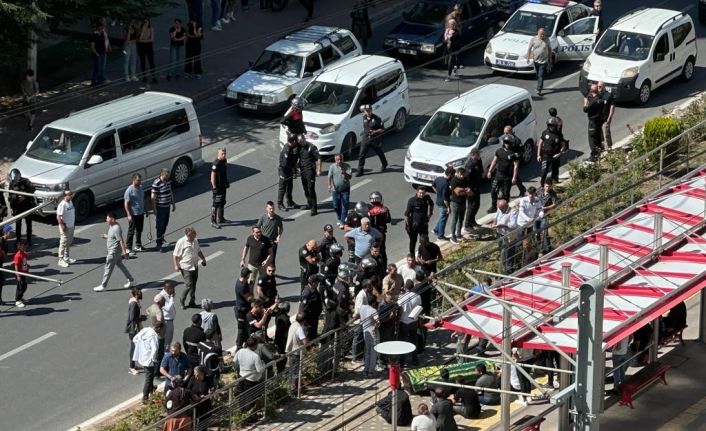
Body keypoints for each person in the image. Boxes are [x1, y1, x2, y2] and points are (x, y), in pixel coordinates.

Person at [93, 212, 135, 292]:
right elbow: (114, 237)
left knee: (108, 268)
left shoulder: (116, 228)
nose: (106, 220)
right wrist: (107, 236)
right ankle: (131, 280)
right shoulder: (112, 226)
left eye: (107, 218)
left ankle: (103, 285)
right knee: (120, 265)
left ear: (112, 219)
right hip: (115, 252)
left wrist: (124, 252)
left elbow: (121, 241)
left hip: (113, 252)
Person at [173, 227, 207, 309]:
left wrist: (203, 258)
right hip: (186, 267)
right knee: (188, 284)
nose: (194, 237)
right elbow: (175, 255)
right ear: (188, 235)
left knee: (193, 284)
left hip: (194, 266)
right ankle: (182, 300)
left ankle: (192, 301)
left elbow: (198, 251)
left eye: (195, 235)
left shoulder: (195, 241)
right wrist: (176, 265)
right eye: (193, 235)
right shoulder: (181, 242)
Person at [486, 136, 519, 212]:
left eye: (509, 143)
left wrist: (514, 177)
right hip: (498, 175)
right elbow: (494, 161)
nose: (507, 144)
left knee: (506, 194)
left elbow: (516, 166)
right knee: (493, 191)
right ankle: (494, 206)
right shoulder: (499, 151)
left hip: (507, 177)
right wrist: (490, 171)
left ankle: (505, 208)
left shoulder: (513, 154)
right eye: (506, 142)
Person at [133, 320, 162, 403]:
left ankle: (151, 387)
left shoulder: (145, 330)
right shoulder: (154, 335)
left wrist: (141, 348)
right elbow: (155, 349)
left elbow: (135, 339)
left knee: (149, 375)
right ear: (158, 328)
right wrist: (154, 359)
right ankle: (145, 397)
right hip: (149, 360)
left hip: (142, 357)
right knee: (149, 378)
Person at [234, 337, 266, 409]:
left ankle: (241, 410)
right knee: (251, 398)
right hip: (252, 379)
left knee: (242, 395)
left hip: (241, 376)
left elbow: (235, 361)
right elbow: (260, 370)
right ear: (255, 346)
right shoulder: (255, 356)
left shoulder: (240, 351)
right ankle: (249, 414)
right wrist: (263, 364)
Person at [7, 169, 36, 247]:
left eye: (16, 176)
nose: (15, 178)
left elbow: (33, 189)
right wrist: (12, 206)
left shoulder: (25, 181)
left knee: (28, 224)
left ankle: (29, 240)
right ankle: (18, 240)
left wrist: (24, 196)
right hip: (18, 207)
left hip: (27, 206)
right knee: (18, 224)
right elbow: (10, 196)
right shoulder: (12, 184)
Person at [358, 105, 388, 176]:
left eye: (369, 111)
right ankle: (360, 170)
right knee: (361, 154)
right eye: (366, 111)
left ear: (371, 110)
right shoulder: (364, 117)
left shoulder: (377, 118)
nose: (368, 112)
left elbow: (382, 129)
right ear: (364, 112)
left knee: (379, 152)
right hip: (365, 138)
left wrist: (374, 132)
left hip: (374, 138)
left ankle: (384, 164)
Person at [398, 280, 422, 367]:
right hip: (413, 321)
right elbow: (419, 309)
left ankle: (402, 362)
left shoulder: (401, 297)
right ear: (413, 286)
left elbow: (399, 310)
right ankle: (414, 360)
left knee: (403, 342)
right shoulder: (417, 296)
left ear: (405, 287)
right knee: (414, 341)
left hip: (403, 322)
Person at [537, 117, 567, 186]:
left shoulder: (559, 134)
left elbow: (563, 145)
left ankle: (555, 184)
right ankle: (542, 185)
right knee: (544, 171)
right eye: (549, 125)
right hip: (546, 155)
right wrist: (538, 155)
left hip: (555, 156)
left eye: (552, 125)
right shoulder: (545, 133)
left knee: (555, 171)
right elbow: (540, 143)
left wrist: (559, 154)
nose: (551, 127)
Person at [404, 188, 434, 257]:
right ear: (417, 192)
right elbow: (406, 215)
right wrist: (408, 226)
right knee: (413, 241)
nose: (421, 194)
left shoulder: (427, 198)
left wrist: (430, 214)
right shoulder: (412, 200)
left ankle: (424, 256)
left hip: (424, 225)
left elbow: (431, 204)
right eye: (420, 193)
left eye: (423, 193)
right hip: (414, 226)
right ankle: (412, 257)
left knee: (425, 241)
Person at [151, 169, 175, 251]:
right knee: (160, 225)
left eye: (168, 176)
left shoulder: (168, 181)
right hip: (160, 207)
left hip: (167, 206)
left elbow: (170, 192)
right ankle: (158, 243)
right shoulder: (156, 183)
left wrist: (173, 203)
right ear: (162, 174)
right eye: (166, 176)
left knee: (165, 223)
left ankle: (162, 238)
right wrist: (154, 209)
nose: (168, 177)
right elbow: (153, 197)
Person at [298, 136, 322, 215]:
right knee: (305, 189)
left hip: (310, 172)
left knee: (311, 189)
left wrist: (318, 169)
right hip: (303, 172)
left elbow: (319, 158)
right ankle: (309, 203)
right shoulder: (300, 147)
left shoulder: (311, 147)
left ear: (304, 139)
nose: (301, 143)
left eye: (302, 141)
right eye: (300, 142)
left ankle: (314, 209)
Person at [493, 199, 518, 273]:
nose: (500, 210)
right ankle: (504, 265)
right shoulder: (500, 208)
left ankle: (509, 267)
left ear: (506, 206)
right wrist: (494, 223)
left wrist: (503, 225)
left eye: (502, 209)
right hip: (500, 233)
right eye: (499, 208)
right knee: (502, 249)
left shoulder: (513, 212)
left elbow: (513, 225)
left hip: (508, 235)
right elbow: (495, 216)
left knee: (509, 251)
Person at [367, 191, 391, 267]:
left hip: (373, 233)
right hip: (382, 232)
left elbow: (370, 222)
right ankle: (384, 266)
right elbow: (388, 220)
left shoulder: (370, 211)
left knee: (373, 250)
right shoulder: (385, 209)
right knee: (383, 250)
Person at [328, 153, 353, 227]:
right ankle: (340, 218)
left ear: (343, 159)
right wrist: (329, 185)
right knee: (336, 205)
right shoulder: (332, 167)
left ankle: (342, 221)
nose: (339, 161)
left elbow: (350, 177)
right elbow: (329, 176)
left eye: (340, 159)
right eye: (338, 160)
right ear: (335, 160)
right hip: (335, 190)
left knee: (345, 205)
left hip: (345, 189)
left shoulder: (347, 166)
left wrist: (344, 173)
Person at [286, 313, 308, 392]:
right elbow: (304, 341)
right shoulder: (299, 329)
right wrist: (305, 348)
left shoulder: (293, 325)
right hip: (296, 353)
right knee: (295, 372)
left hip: (291, 351)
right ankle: (293, 390)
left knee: (291, 371)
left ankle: (293, 388)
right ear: (304, 321)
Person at [525, 27, 551, 96]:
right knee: (538, 75)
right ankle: (540, 85)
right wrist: (528, 58)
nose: (542, 36)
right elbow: (529, 48)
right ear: (538, 33)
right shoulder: (533, 39)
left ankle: (539, 89)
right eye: (541, 34)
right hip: (535, 61)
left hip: (543, 61)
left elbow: (549, 49)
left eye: (543, 34)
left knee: (541, 75)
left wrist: (549, 59)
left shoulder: (547, 39)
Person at [355, 301, 378, 377]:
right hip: (372, 333)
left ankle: (366, 370)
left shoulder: (362, 308)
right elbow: (377, 321)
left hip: (365, 332)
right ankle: (371, 371)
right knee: (373, 352)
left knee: (367, 351)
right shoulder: (373, 310)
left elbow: (355, 315)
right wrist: (376, 326)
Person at [448, 167, 471, 244]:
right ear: (457, 173)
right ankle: (453, 236)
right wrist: (466, 191)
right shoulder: (454, 180)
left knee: (461, 219)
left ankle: (458, 234)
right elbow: (458, 192)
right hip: (455, 203)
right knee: (454, 219)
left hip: (463, 202)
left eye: (463, 175)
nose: (462, 176)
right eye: (461, 175)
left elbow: (468, 189)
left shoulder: (465, 179)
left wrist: (464, 190)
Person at [277, 134, 299, 211]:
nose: (296, 142)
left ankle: (289, 202)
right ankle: (280, 204)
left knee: (289, 187)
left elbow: (292, 160)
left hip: (289, 171)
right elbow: (285, 164)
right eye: (296, 141)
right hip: (284, 172)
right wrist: (291, 171)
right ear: (293, 141)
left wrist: (294, 170)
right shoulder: (286, 149)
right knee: (282, 188)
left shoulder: (290, 148)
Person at [126, 287, 146, 375]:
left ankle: (133, 365)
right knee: (133, 348)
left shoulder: (135, 302)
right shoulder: (134, 304)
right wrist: (141, 318)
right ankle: (131, 367)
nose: (141, 293)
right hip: (133, 329)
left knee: (135, 346)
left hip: (135, 328)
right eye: (139, 292)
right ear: (136, 294)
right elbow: (132, 318)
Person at [583, 83, 604, 161]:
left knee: (592, 139)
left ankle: (593, 156)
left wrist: (585, 102)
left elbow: (585, 109)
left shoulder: (593, 101)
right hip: (599, 121)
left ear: (591, 91)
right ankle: (599, 153)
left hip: (593, 122)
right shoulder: (600, 98)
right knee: (598, 137)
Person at [463, 149, 483, 232]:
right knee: (471, 206)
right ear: (473, 155)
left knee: (477, 205)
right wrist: (468, 189)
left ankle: (472, 220)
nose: (479, 156)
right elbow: (466, 178)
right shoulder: (469, 165)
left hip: (477, 186)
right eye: (477, 155)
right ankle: (467, 225)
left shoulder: (478, 161)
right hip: (471, 188)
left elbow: (481, 170)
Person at [432, 167, 454, 241]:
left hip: (438, 201)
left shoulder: (439, 179)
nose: (453, 176)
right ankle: (440, 236)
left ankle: (436, 230)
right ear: (450, 175)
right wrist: (448, 207)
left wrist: (438, 193)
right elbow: (445, 198)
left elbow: (433, 185)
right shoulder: (446, 184)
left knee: (442, 217)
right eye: (453, 175)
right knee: (443, 219)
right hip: (443, 203)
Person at [210, 148, 230, 229]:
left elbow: (224, 173)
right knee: (215, 204)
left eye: (224, 153)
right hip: (217, 188)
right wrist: (214, 187)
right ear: (218, 154)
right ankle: (213, 221)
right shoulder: (216, 163)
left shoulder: (224, 161)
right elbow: (212, 177)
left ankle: (221, 218)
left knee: (222, 202)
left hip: (223, 186)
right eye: (222, 153)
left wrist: (226, 182)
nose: (224, 155)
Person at [537, 179, 559, 253]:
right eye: (546, 186)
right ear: (544, 185)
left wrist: (546, 208)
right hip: (537, 214)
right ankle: (539, 248)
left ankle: (547, 249)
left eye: (549, 187)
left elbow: (555, 204)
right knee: (536, 231)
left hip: (545, 214)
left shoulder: (552, 193)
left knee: (544, 231)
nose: (548, 188)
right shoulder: (540, 191)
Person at [56, 190, 76, 268]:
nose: (71, 196)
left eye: (71, 194)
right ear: (65, 195)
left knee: (69, 242)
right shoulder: (62, 204)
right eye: (69, 194)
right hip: (65, 227)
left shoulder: (70, 202)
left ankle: (66, 257)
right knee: (63, 242)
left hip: (71, 226)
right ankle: (60, 260)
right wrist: (63, 226)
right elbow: (58, 216)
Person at [301, 275, 324, 340]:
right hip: (310, 319)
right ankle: (309, 347)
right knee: (309, 334)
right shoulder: (307, 292)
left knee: (313, 333)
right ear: (313, 283)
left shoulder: (313, 289)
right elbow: (303, 307)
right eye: (317, 282)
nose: (318, 284)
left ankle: (313, 346)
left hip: (314, 317)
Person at [234, 267, 253, 349]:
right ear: (247, 276)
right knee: (242, 329)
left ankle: (245, 342)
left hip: (242, 308)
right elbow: (249, 298)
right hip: (242, 310)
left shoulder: (242, 282)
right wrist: (251, 290)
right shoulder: (242, 286)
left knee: (246, 327)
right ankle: (238, 346)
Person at [89, 21, 110, 86]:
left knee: (102, 67)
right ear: (99, 27)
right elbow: (92, 46)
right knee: (97, 68)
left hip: (103, 53)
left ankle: (100, 80)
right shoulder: (93, 35)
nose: (104, 28)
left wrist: (108, 47)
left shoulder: (103, 34)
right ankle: (94, 81)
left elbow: (106, 41)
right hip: (97, 53)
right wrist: (96, 53)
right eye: (103, 27)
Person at [137, 18, 158, 83]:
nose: (146, 23)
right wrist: (143, 30)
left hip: (149, 46)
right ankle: (144, 76)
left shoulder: (151, 29)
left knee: (151, 61)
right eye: (145, 22)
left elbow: (151, 39)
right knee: (142, 62)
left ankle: (153, 76)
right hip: (141, 47)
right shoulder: (140, 29)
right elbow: (139, 39)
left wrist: (144, 40)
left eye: (147, 22)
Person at [274, 301, 291, 373]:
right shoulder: (285, 319)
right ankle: (280, 371)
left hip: (279, 339)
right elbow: (285, 331)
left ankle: (280, 369)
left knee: (281, 355)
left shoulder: (279, 316)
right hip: (283, 341)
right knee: (283, 356)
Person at [598, 81, 616, 150]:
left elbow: (612, 106)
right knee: (600, 135)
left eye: (600, 87)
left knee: (606, 135)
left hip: (605, 119)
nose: (599, 88)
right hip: (598, 120)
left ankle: (609, 148)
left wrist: (610, 117)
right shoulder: (597, 95)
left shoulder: (608, 95)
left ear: (604, 86)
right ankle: (602, 148)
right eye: (598, 86)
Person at [12, 240, 29, 308]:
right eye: (24, 247)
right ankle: (17, 300)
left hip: (24, 273)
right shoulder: (17, 255)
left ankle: (20, 297)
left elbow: (25, 263)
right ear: (20, 247)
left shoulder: (24, 254)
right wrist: (18, 275)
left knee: (24, 286)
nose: (26, 248)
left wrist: (27, 269)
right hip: (19, 274)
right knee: (20, 287)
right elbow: (16, 265)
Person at [160, 281, 178, 347]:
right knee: (167, 339)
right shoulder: (162, 297)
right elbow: (168, 308)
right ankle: (166, 353)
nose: (174, 291)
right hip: (167, 321)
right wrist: (172, 298)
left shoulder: (167, 294)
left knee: (169, 338)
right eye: (172, 289)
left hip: (169, 320)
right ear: (168, 289)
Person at [0, 225, 12, 303]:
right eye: (10, 232)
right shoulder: (1, 241)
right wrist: (3, 253)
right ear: (5, 232)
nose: (11, 234)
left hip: (1, 263)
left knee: (1, 283)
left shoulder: (5, 241)